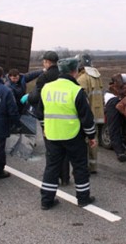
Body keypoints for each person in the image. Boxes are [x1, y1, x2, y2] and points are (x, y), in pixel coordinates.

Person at [36, 57, 97, 210]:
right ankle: (83, 199)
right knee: (80, 167)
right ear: (74, 72)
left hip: (52, 135)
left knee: (51, 168)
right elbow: (87, 118)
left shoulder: (46, 88)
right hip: (73, 135)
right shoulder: (76, 90)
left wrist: (45, 127)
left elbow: (40, 113)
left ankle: (46, 201)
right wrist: (91, 136)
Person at [76, 53, 104, 174]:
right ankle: (93, 166)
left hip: (87, 116)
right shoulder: (97, 76)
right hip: (97, 115)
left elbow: (80, 101)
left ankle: (85, 167)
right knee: (93, 140)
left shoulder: (82, 79)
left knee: (84, 142)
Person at [104, 73, 126, 162]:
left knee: (117, 126)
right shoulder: (117, 89)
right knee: (114, 128)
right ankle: (120, 153)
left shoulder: (115, 87)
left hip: (114, 102)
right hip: (112, 103)